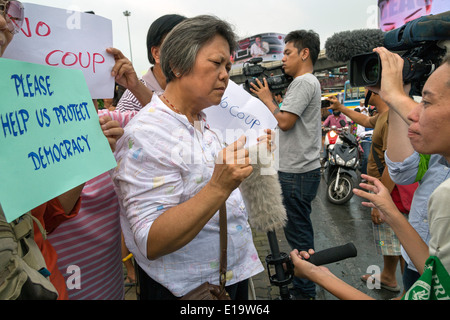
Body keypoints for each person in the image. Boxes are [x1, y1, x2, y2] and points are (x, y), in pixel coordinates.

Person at [111, 15, 271, 300]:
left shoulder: (201, 121)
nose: (225, 74)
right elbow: (150, 240)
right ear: (176, 65)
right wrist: (218, 187)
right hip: (185, 292)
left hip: (226, 279)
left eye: (228, 66)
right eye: (216, 63)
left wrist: (252, 157)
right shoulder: (147, 133)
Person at [290, 49, 450, 300]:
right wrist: (392, 212)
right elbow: (434, 273)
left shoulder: (446, 198)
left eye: (425, 103)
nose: (412, 114)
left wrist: (320, 276)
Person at [0, 0, 125, 300]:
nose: (4, 23)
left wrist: (87, 154)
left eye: (7, 9)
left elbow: (45, 219)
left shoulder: (18, 117)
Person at [250, 29, 322, 300]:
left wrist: (267, 99)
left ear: (305, 53)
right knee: (300, 231)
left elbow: (285, 121)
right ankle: (305, 286)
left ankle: (305, 293)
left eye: (288, 53)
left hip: (296, 173)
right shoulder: (304, 82)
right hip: (300, 171)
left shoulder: (304, 82)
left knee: (300, 238)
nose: (283, 59)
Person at [328, 91, 408, 293]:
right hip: (387, 191)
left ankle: (410, 289)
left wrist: (381, 201)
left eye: (367, 87)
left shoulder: (392, 117)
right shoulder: (383, 115)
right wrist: (341, 108)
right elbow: (364, 119)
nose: (364, 91)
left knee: (403, 243)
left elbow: (394, 161)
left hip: (393, 194)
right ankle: (389, 276)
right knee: (389, 239)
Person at [116, 14, 187, 112]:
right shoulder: (132, 97)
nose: (187, 52)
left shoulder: (195, 91)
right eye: (178, 44)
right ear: (156, 53)